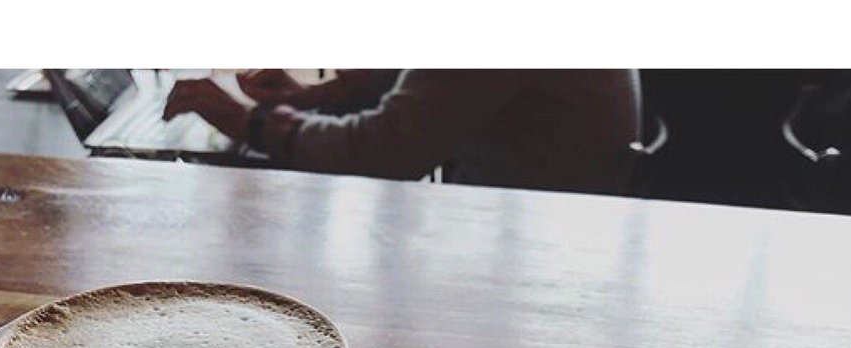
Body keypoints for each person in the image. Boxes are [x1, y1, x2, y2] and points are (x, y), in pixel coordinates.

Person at [163, 69, 642, 193]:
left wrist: (252, 123)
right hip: (536, 211)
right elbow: (434, 81)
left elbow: (384, 151)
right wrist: (316, 96)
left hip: (525, 245)